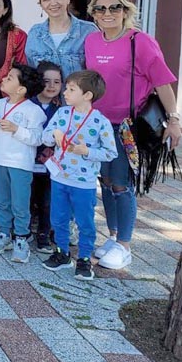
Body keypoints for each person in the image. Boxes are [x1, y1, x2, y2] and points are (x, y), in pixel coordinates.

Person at [84, 0, 181, 271]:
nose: (108, 13)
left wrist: (174, 119)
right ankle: (112, 237)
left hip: (127, 126)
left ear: (126, 11)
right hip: (97, 125)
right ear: (93, 14)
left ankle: (124, 246)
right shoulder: (91, 41)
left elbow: (162, 82)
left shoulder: (140, 41)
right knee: (104, 183)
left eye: (115, 7)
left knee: (121, 184)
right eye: (101, 9)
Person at [41, 70, 117, 281]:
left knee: (85, 221)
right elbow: (45, 137)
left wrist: (87, 152)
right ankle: (62, 253)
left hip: (84, 183)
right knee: (58, 218)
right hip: (59, 177)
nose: (65, 92)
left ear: (88, 95)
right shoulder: (63, 113)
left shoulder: (100, 122)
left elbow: (111, 153)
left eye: (71, 89)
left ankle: (84, 258)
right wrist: (53, 135)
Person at [0, 65, 46, 263]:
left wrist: (16, 129)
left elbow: (37, 138)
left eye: (10, 78)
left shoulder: (34, 111)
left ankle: (21, 237)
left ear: (21, 89)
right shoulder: (0, 103)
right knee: (1, 198)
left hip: (20, 163)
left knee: (20, 202)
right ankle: (4, 233)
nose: (4, 78)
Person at [26, 0, 97, 80]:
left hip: (77, 95)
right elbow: (31, 70)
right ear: (41, 4)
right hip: (44, 95)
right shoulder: (35, 33)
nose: (53, 3)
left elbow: (96, 72)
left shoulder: (88, 31)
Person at [30, 61, 64, 254]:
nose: (51, 86)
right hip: (27, 161)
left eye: (57, 82)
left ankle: (44, 233)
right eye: (46, 81)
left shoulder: (62, 110)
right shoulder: (27, 104)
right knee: (27, 198)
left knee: (47, 201)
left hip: (51, 165)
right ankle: (23, 232)